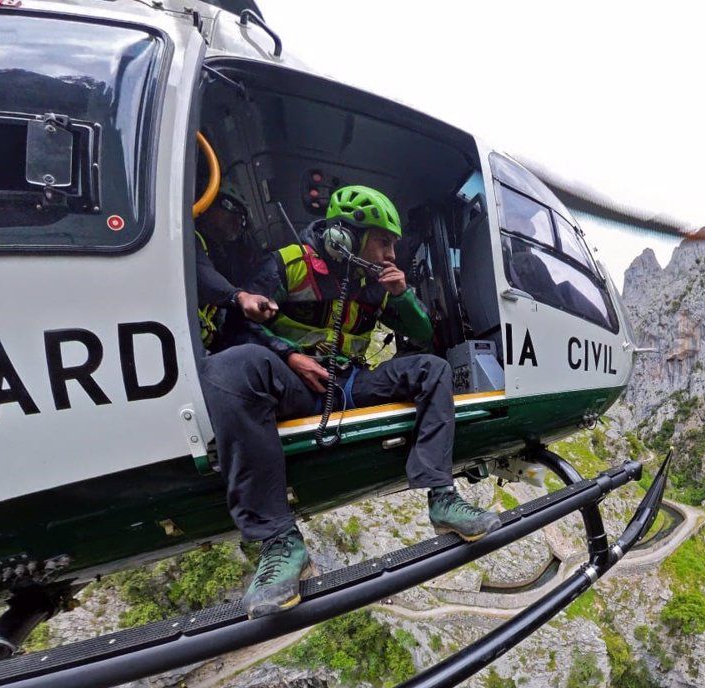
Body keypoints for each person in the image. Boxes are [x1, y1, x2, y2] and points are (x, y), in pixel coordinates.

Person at [200, 185, 501, 618]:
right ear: (346, 235)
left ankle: (442, 497)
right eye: (384, 241)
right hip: (297, 382)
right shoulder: (289, 264)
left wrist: (402, 296)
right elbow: (235, 325)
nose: (392, 253)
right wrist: (290, 355)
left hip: (352, 381)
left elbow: (420, 336)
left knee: (431, 368)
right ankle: (280, 542)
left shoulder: (376, 284)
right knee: (228, 368)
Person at [194, 184, 267, 350]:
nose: (236, 219)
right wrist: (239, 297)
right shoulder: (188, 241)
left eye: (242, 217)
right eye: (230, 206)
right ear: (207, 203)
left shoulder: (228, 259)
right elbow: (201, 275)